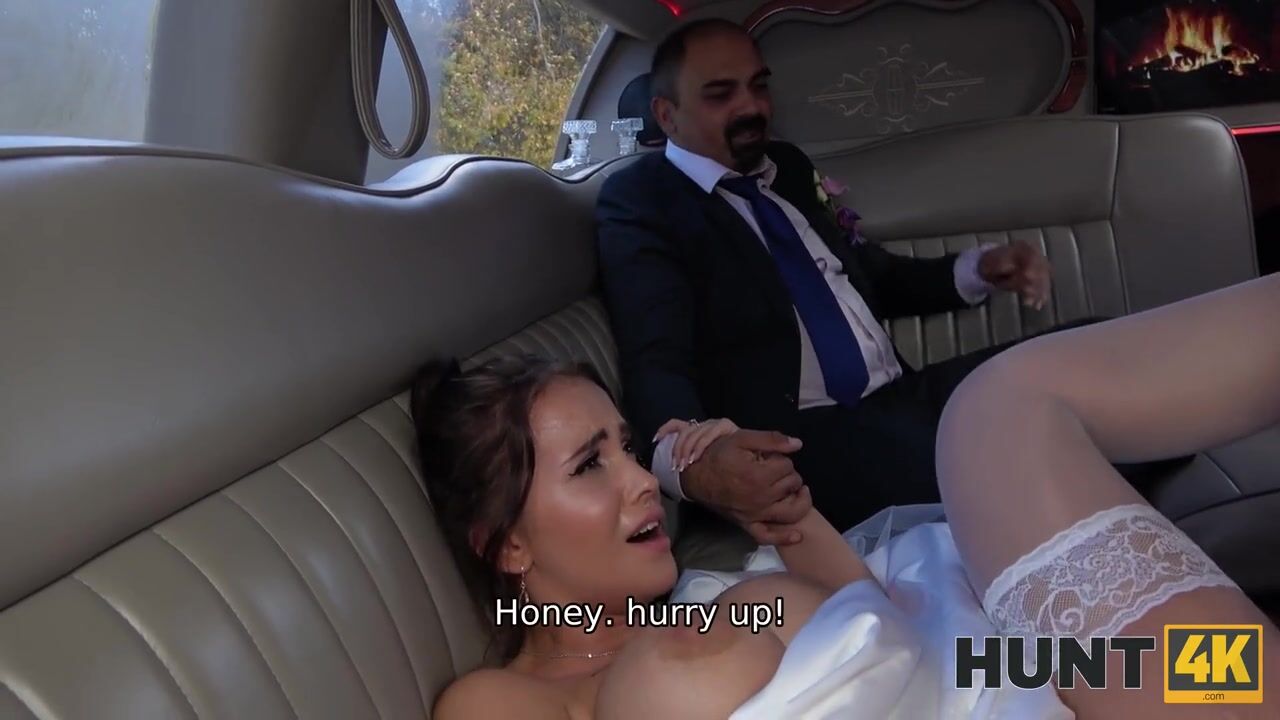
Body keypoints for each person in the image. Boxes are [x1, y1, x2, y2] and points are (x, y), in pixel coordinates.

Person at [413, 272, 1280, 718]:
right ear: (507, 544)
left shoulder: (704, 608)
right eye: (589, 466)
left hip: (1006, 665)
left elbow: (882, 623)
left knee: (1208, 666)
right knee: (999, 410)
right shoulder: (502, 701)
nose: (644, 481)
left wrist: (784, 519)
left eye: (629, 450)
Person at [594, 18, 1089, 539]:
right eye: (721, 95)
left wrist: (979, 268)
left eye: (759, 87)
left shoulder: (785, 167)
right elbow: (655, 354)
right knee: (1048, 445)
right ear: (666, 114)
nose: (751, 107)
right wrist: (694, 465)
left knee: (1090, 358)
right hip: (806, 440)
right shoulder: (643, 199)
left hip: (903, 397)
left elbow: (869, 275)